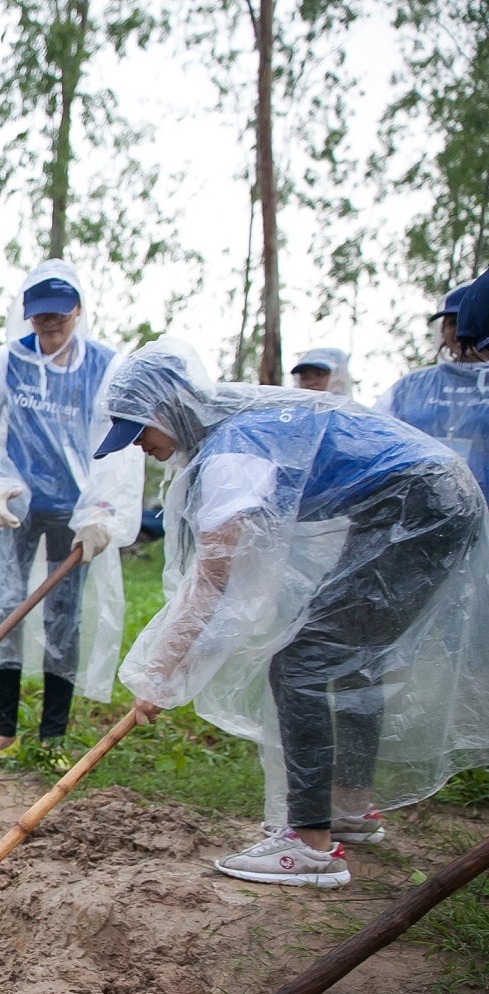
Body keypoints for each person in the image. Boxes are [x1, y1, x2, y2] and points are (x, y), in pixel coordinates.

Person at [102, 336, 489, 887]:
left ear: (171, 408)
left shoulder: (232, 451)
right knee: (351, 658)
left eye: (139, 429)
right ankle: (348, 811)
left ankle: (309, 847)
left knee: (301, 664)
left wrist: (162, 671)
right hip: (427, 495)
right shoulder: (243, 429)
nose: (138, 445)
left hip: (420, 505)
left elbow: (215, 579)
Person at [0, 259, 142, 769]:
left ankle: (52, 737)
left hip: (73, 510)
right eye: (39, 315)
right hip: (17, 504)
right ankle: (1, 732)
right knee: (6, 606)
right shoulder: (6, 363)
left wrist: (102, 511)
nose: (49, 324)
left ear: (78, 309)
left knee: (64, 616)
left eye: (59, 313)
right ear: (27, 315)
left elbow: (118, 444)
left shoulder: (104, 365)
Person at [376, 282, 489, 504]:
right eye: (452, 323)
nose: (460, 331)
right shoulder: (411, 386)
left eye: (469, 321)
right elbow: (375, 442)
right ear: (442, 331)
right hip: (418, 514)